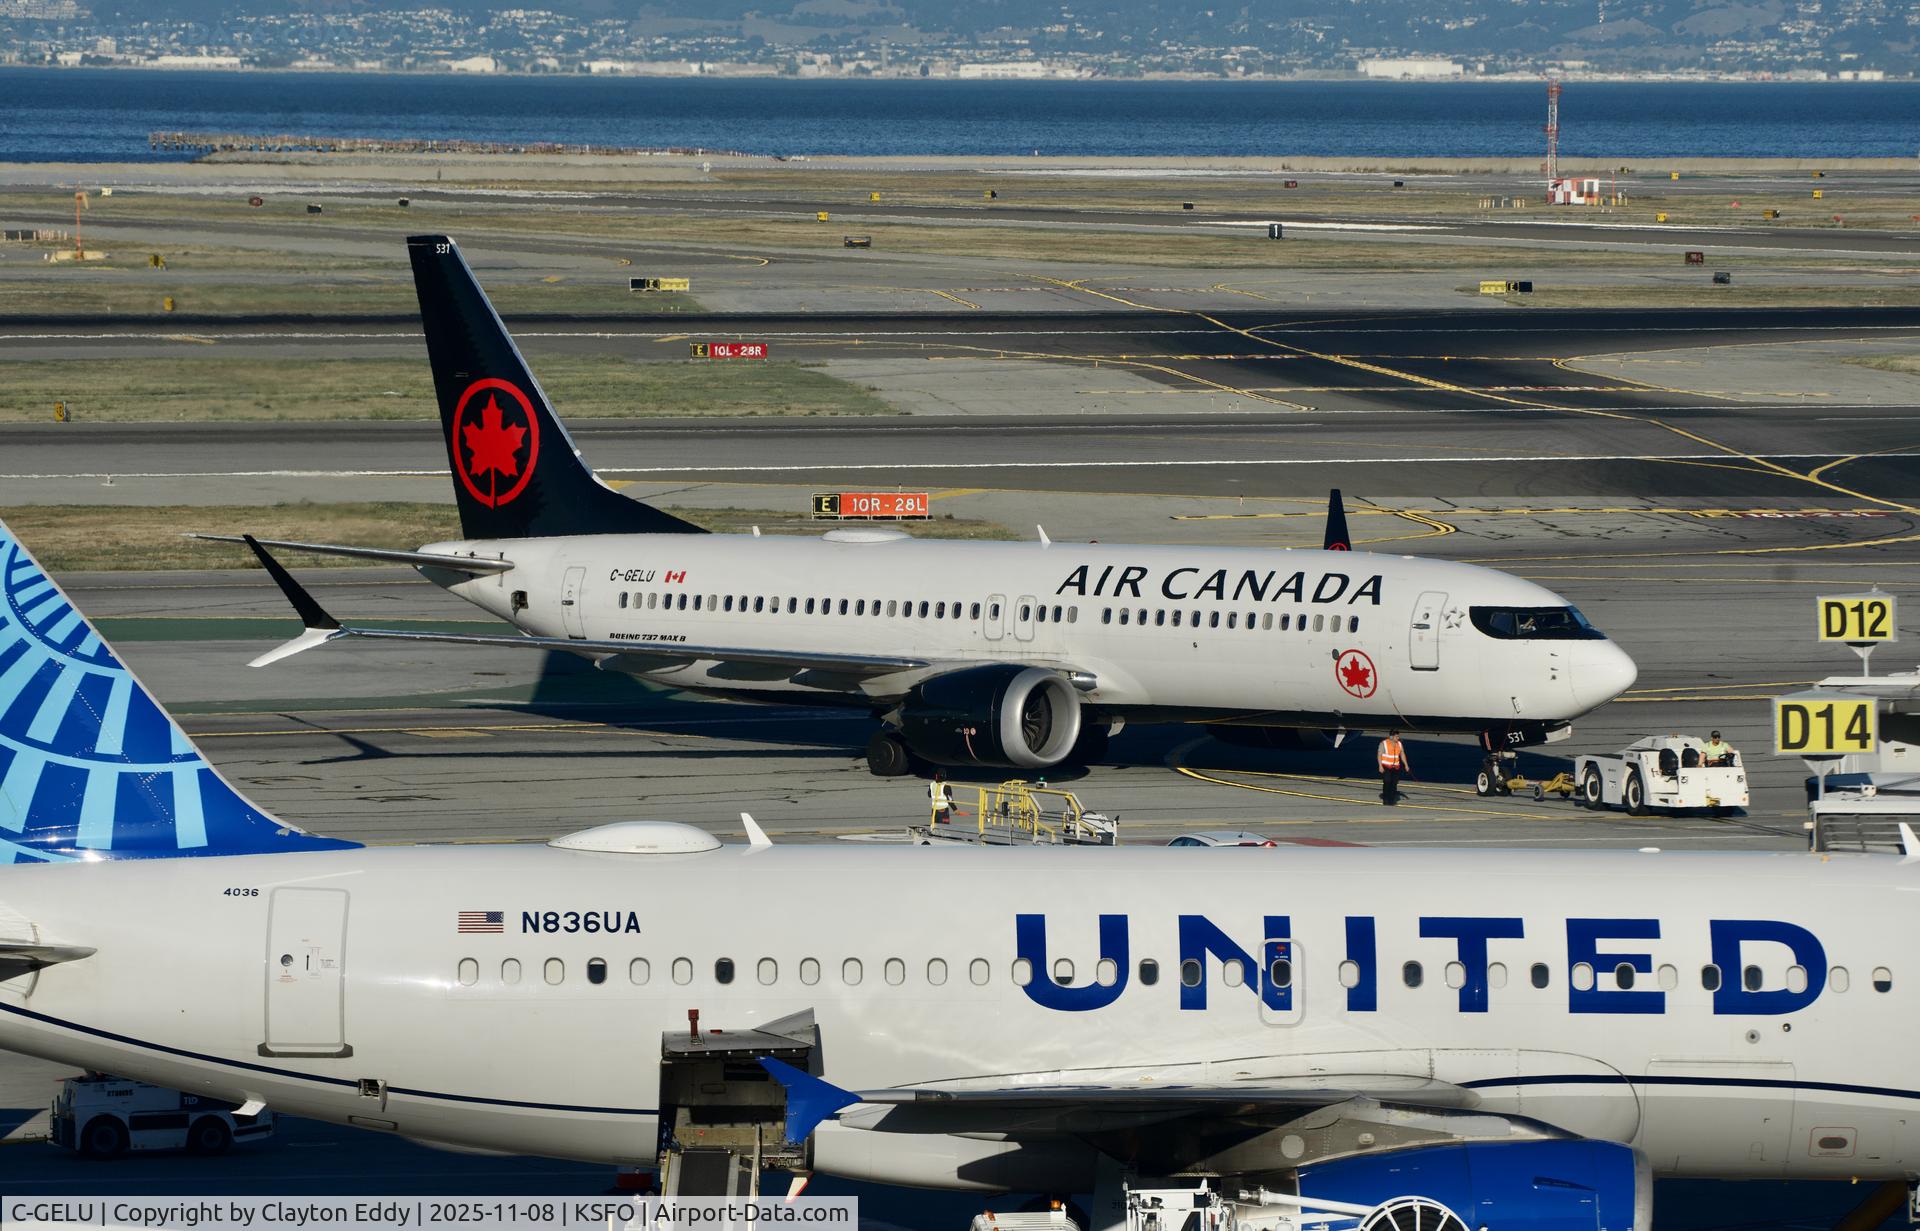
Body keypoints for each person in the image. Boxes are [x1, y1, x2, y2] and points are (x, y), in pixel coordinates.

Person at [1377, 730, 1409, 806]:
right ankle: (1385, 798)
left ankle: (1392, 799)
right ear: (1391, 736)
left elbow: (1402, 754)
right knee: (1387, 781)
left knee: (1394, 783)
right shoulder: (1384, 743)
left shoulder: (1399, 744)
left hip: (1396, 767)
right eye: (1396, 736)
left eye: (1398, 736)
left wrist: (1406, 765)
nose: (1398, 738)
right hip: (1386, 766)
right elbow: (1379, 755)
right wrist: (1380, 766)